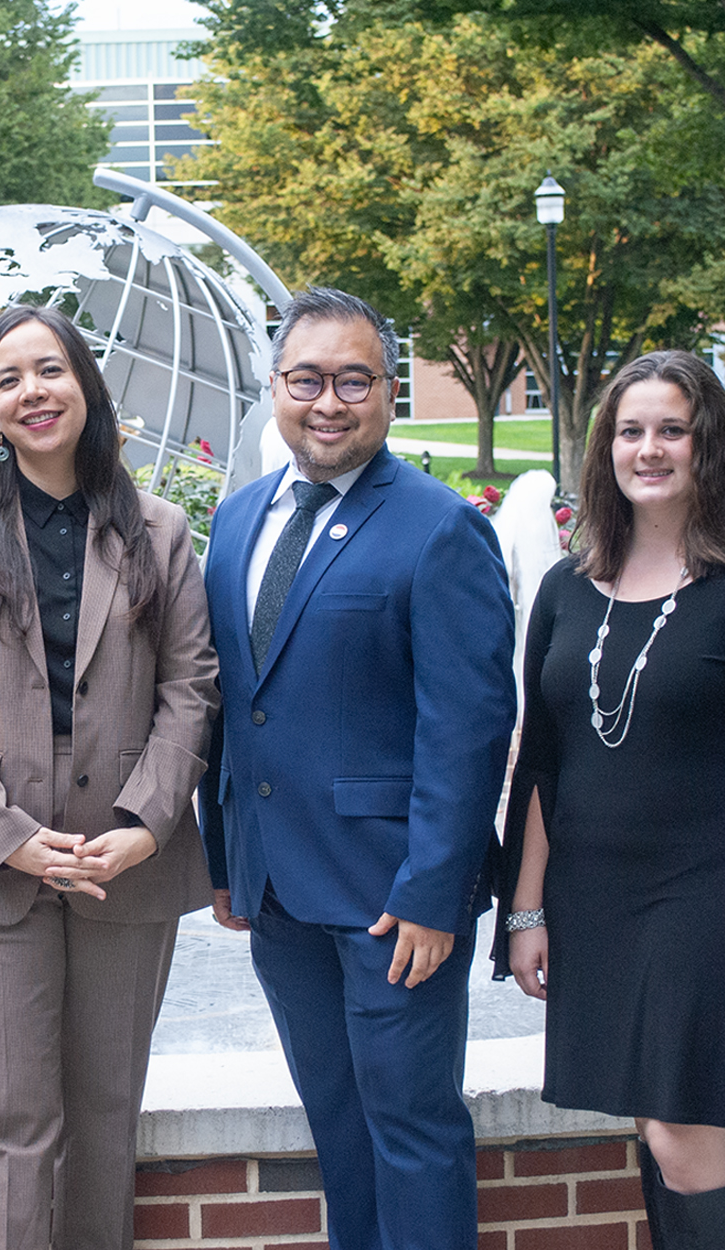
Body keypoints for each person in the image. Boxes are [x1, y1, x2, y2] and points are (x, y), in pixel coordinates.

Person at [496, 350, 725, 1249]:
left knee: (682, 1132)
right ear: (604, 449)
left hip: (713, 908)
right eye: (629, 431)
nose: (647, 449)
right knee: (660, 1135)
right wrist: (525, 909)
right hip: (598, 906)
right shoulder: (566, 587)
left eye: (671, 430)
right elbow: (541, 760)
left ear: (709, 447)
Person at [0, 303, 220, 1249]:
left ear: (84, 384)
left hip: (125, 863)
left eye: (49, 370)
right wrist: (13, 838)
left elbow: (189, 684)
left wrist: (149, 823)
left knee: (105, 1114)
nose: (32, 392)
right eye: (8, 379)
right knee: (1, 1124)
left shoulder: (157, 531)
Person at [199, 287, 516, 1250]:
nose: (327, 402)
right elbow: (234, 705)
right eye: (306, 379)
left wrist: (433, 892)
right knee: (337, 1128)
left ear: (386, 393)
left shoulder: (437, 526)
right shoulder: (239, 519)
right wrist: (226, 861)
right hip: (277, 894)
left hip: (392, 901)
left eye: (353, 380)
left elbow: (466, 728)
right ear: (274, 387)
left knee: (411, 1131)